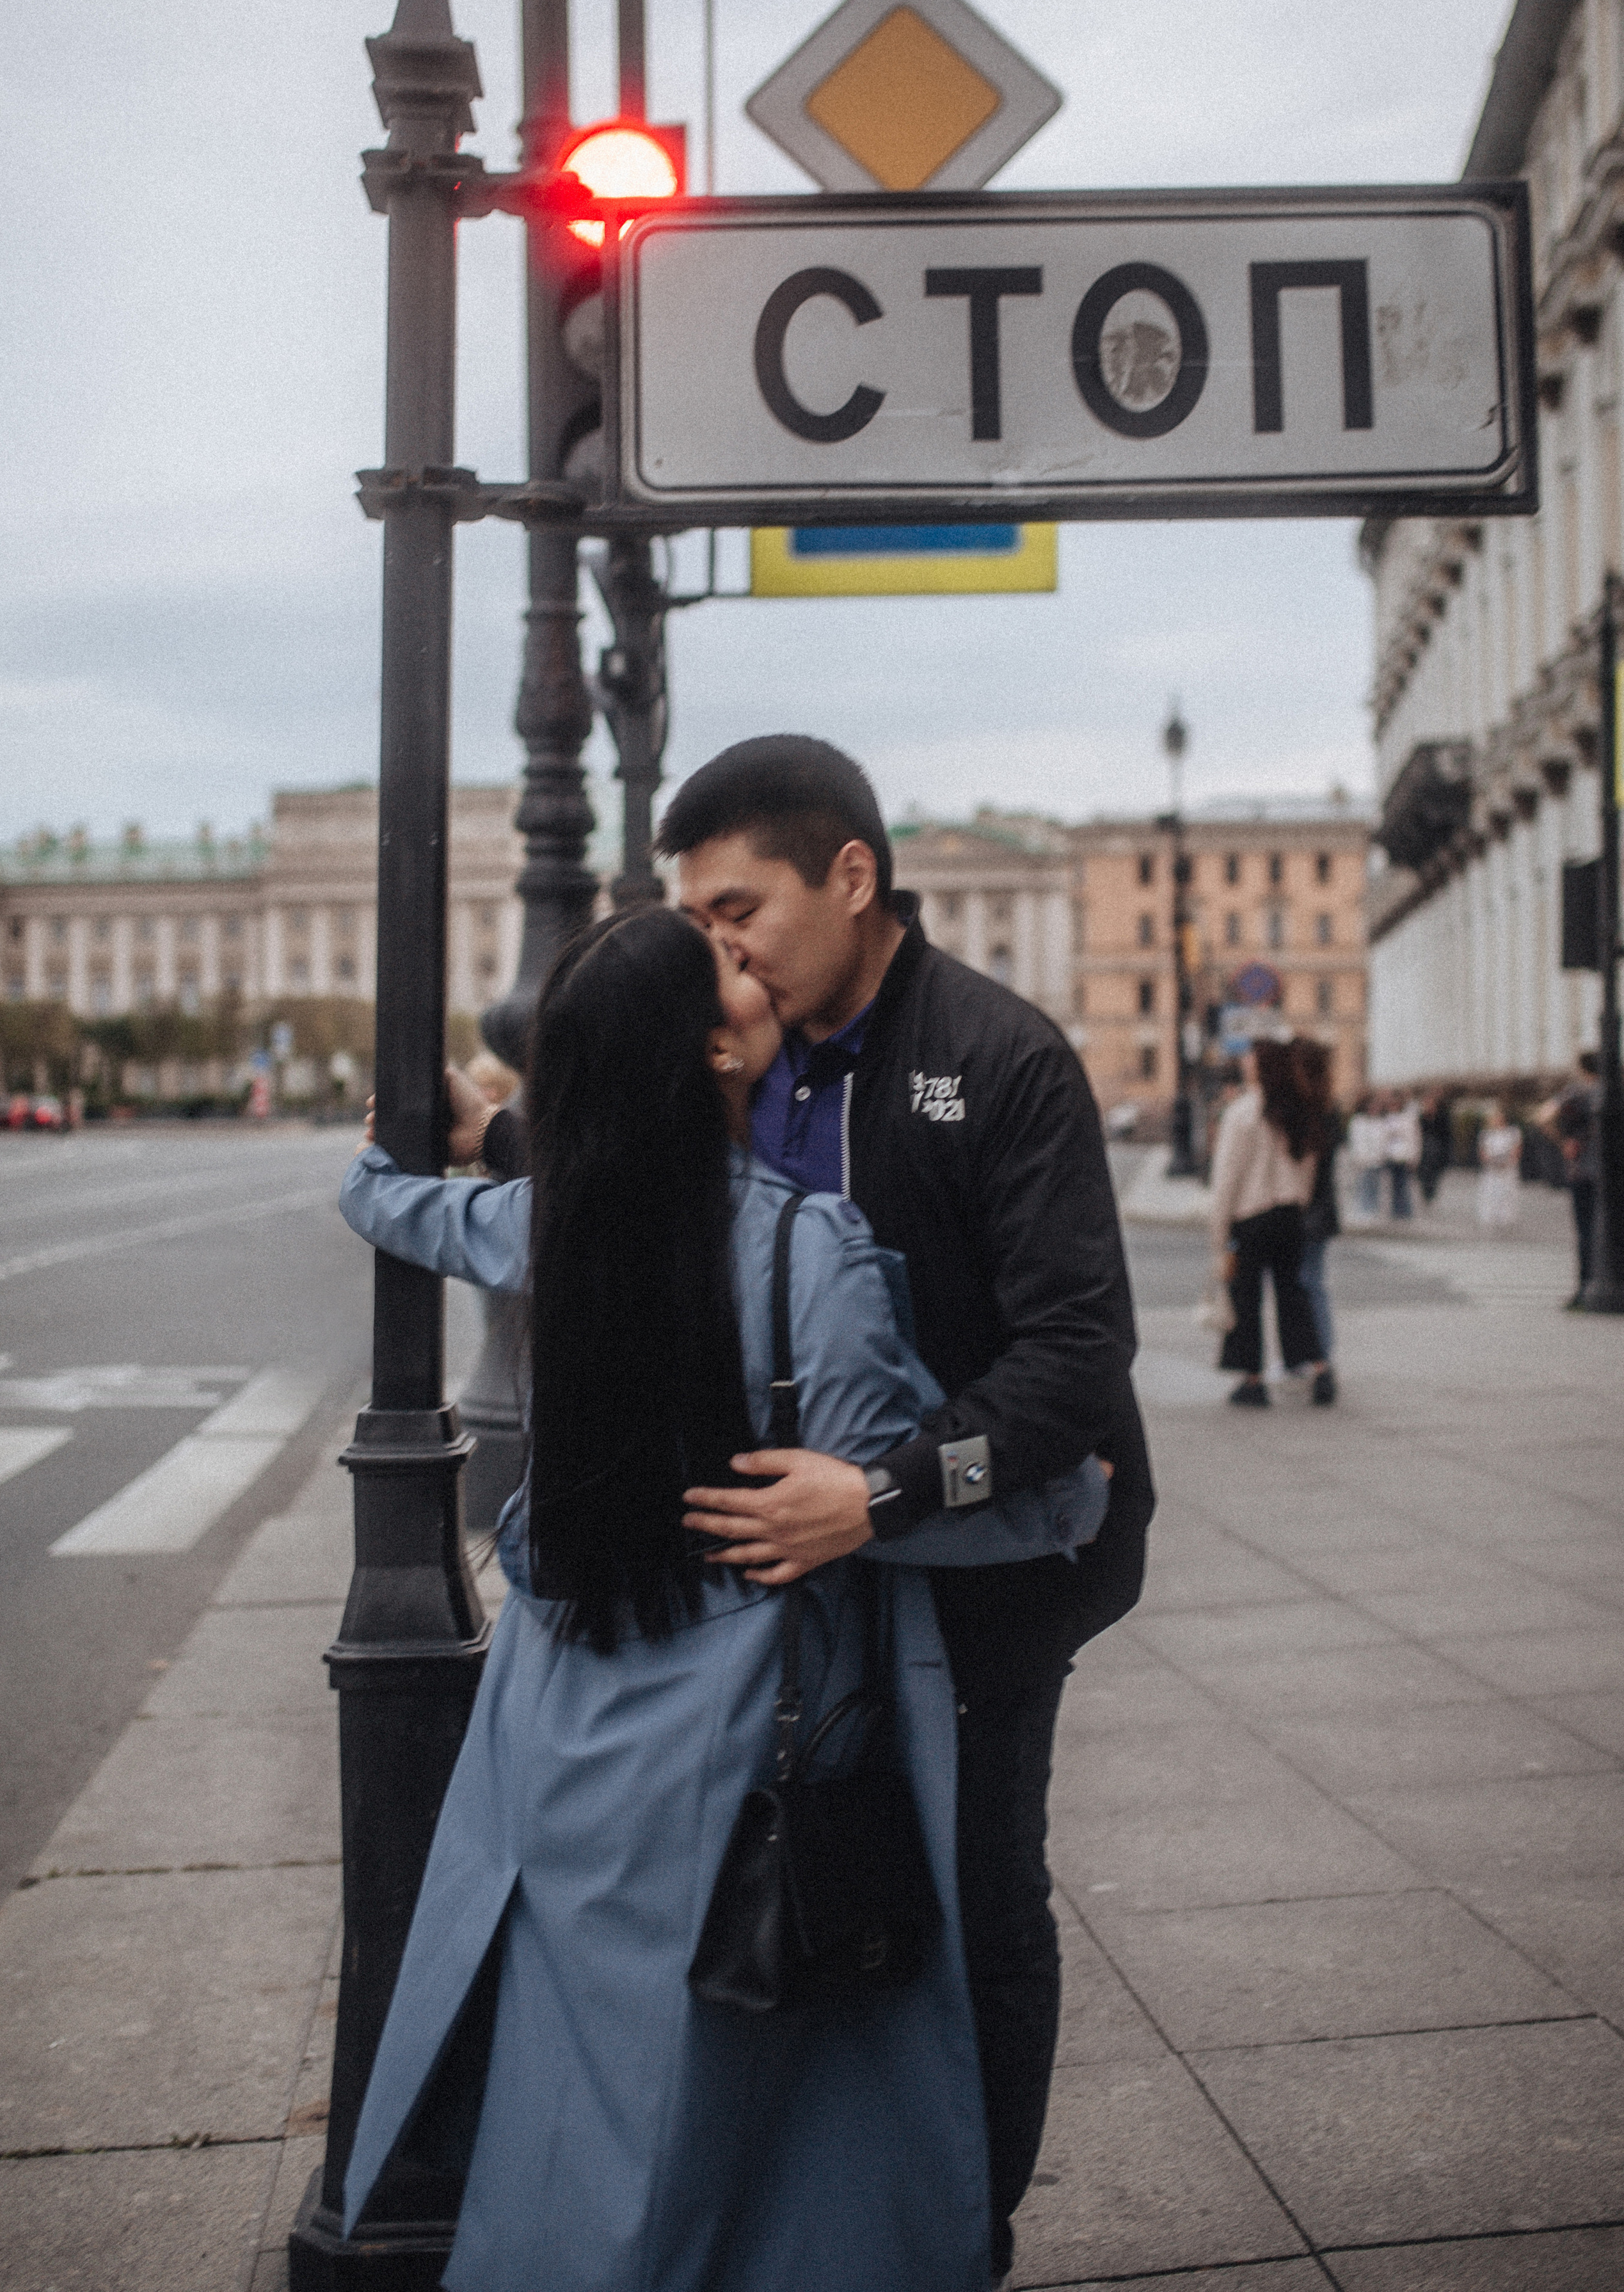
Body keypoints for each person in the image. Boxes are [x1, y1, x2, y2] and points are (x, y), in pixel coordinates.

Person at [336, 906, 1111, 2292]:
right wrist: (1072, 1501)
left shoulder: (551, 1224)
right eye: (732, 974)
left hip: (561, 1728)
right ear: (709, 1049)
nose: (755, 977)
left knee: (578, 2079)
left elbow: (399, 1207)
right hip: (736, 1726)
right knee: (718, 2091)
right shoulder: (806, 1254)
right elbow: (885, 1493)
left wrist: (409, 1140)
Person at [645, 735, 1152, 2289]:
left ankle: (966, 2230)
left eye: (739, 908)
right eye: (697, 922)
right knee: (810, 1876)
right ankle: (836, 2205)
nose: (716, 948)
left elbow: (1075, 1360)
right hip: (802, 1573)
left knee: (979, 1889)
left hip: (994, 1559)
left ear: (849, 876)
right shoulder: (745, 1047)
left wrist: (881, 1492)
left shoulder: (989, 1056)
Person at [1208, 1037, 1331, 1407]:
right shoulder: (1296, 1110)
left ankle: (1252, 1380)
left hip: (1251, 1215)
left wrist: (1218, 1228)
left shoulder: (1243, 1112)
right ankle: (1320, 1369)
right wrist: (1298, 1202)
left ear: (1261, 1067)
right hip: (1291, 1215)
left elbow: (1228, 1175)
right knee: (1292, 1295)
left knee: (1246, 1299)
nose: (1244, 1061)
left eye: (1251, 1057)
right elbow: (1309, 1167)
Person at [1291, 1037, 1341, 1402]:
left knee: (1306, 1283)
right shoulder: (1328, 1106)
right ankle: (1314, 1357)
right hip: (1321, 1209)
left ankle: (1320, 1360)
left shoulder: (1307, 1110)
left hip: (1306, 1209)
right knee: (1312, 1282)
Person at [1549, 1052, 1601, 1304]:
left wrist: (1565, 1142)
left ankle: (1585, 1287)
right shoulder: (1615, 1090)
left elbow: (1544, 1116)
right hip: (1610, 1171)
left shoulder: (1576, 1092)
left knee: (1585, 1229)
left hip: (1582, 1170)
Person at [1475, 1100, 1522, 1230]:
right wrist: (1492, 1161)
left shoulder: (1513, 1132)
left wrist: (1507, 1161)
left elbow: (1516, 1151)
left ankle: (1507, 1219)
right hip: (1492, 1169)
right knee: (1491, 1194)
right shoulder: (1486, 1134)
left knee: (1507, 1195)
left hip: (1508, 1168)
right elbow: (1483, 1153)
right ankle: (1490, 1218)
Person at [1348, 1092, 1386, 1219]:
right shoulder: (1359, 1122)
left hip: (1377, 1159)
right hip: (1364, 1160)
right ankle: (1364, 1211)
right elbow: (1356, 1141)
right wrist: (1359, 1158)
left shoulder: (1379, 1122)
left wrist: (1382, 1155)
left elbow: (1382, 1141)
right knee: (1364, 1186)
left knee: (1375, 1187)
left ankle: (1373, 1211)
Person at [1385, 1089, 1421, 1219]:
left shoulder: (1407, 1119)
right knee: (1393, 1186)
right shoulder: (1387, 1118)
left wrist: (1414, 1157)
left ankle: (1405, 1211)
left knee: (1404, 1185)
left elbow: (1414, 1139)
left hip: (1404, 1156)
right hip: (1391, 1156)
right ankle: (1395, 1211)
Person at [1417, 1087, 1453, 1206]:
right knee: (1424, 1176)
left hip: (1437, 1151)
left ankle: (1431, 1196)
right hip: (1425, 1151)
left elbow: (1446, 1136)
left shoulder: (1442, 1117)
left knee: (1434, 1176)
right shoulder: (1422, 1118)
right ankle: (1426, 1196)